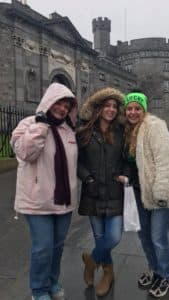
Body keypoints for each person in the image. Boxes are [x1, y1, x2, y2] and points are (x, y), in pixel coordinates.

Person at [10, 83, 78, 300]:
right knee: (43, 247)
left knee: (57, 246)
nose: (62, 109)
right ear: (49, 101)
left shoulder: (69, 130)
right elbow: (24, 153)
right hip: (36, 200)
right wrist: (41, 126)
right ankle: (38, 290)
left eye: (67, 106)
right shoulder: (28, 123)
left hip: (64, 201)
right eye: (59, 103)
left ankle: (52, 281)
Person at [123, 90, 169, 298]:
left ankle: (167, 277)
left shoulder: (155, 126)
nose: (133, 112)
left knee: (158, 237)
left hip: (160, 192)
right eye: (129, 109)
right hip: (139, 191)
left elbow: (165, 161)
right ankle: (155, 270)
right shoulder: (129, 131)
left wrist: (160, 191)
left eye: (137, 108)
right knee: (144, 236)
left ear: (144, 109)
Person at [77, 87, 126, 297]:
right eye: (107, 105)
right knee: (100, 238)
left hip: (115, 192)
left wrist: (124, 174)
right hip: (93, 192)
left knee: (113, 236)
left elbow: (128, 159)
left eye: (115, 106)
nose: (111, 109)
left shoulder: (122, 132)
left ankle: (91, 261)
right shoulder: (84, 131)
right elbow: (76, 161)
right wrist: (87, 177)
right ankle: (108, 274)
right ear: (98, 108)